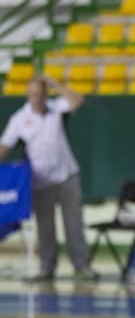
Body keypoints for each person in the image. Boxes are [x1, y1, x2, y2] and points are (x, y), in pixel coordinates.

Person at [0, 77, 98, 282]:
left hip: (66, 175)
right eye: (33, 94)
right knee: (45, 227)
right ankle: (47, 268)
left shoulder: (57, 108)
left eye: (40, 94)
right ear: (28, 95)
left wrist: (57, 85)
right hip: (39, 181)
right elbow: (5, 145)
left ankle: (82, 266)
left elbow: (77, 101)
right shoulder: (19, 118)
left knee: (74, 224)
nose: (37, 98)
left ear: (46, 94)